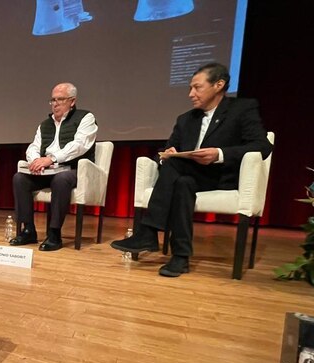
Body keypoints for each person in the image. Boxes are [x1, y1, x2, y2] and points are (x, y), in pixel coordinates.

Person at [111, 62, 273, 277]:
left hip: (221, 176)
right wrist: (167, 154)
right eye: (190, 88)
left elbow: (262, 146)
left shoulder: (242, 109)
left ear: (219, 85)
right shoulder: (186, 119)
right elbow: (165, 150)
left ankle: (148, 232)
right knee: (182, 182)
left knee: (179, 171)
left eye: (197, 87)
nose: (190, 94)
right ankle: (180, 257)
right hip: (189, 176)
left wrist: (219, 154)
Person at [9, 82, 98, 251]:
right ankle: (28, 230)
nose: (55, 104)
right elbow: (34, 146)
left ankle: (54, 233)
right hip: (48, 170)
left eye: (60, 99)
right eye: (52, 100)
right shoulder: (45, 124)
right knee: (19, 178)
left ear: (72, 101)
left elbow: (80, 145)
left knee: (61, 178)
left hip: (73, 169)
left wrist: (52, 158)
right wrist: (36, 161)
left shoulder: (86, 118)